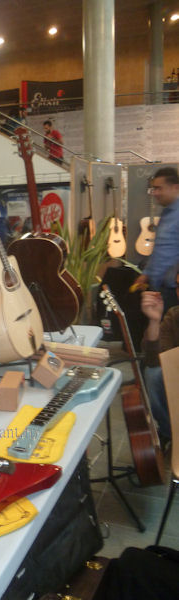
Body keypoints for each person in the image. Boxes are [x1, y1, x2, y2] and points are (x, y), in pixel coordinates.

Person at [140, 271, 179, 446]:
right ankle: (169, 432)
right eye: (178, 286)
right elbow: (154, 361)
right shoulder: (174, 315)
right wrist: (154, 321)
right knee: (154, 374)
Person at [134, 167, 179, 313]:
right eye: (154, 188)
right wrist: (146, 273)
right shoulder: (166, 212)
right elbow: (160, 249)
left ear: (175, 187)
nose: (155, 193)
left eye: (159, 188)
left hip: (173, 291)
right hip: (158, 289)